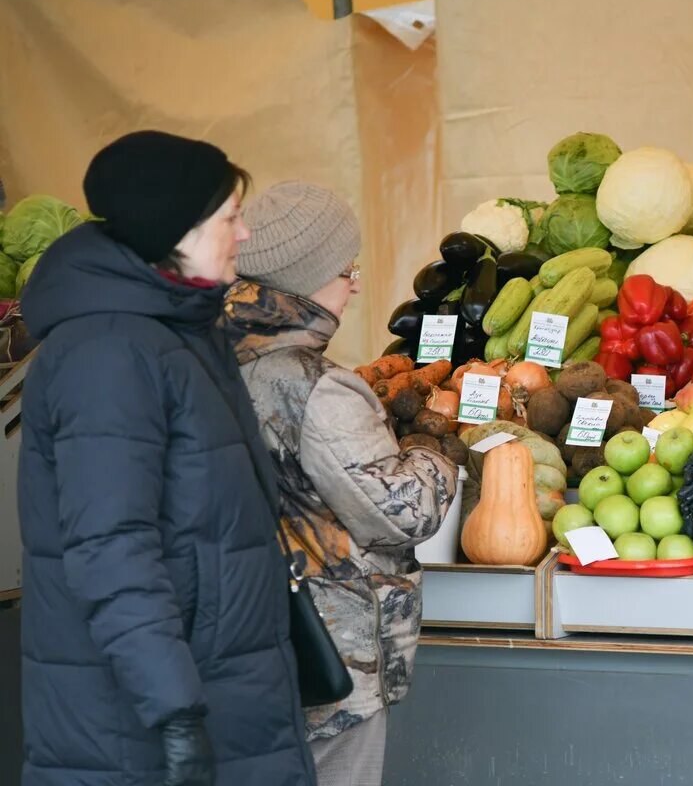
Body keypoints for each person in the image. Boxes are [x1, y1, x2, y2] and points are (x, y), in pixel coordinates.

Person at [17, 131, 317, 786]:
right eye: (230, 218)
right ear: (173, 231)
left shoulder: (176, 328)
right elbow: (111, 547)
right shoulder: (109, 353)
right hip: (142, 724)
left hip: (218, 691)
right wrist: (177, 714)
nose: (243, 235)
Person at [223, 181, 458, 786]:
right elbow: (403, 511)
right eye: (346, 268)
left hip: (243, 641)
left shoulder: (210, 356)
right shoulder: (316, 386)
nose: (355, 283)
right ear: (305, 278)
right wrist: (434, 452)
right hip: (326, 654)